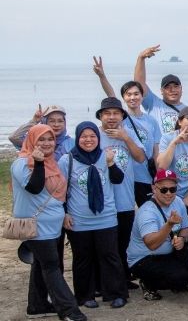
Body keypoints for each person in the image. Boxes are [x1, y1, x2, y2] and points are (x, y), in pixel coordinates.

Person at [10, 124, 87, 321]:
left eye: (50, 139)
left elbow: (58, 194)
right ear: (32, 141)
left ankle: (37, 306)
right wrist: (37, 163)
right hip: (36, 226)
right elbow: (35, 187)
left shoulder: (51, 162)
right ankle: (69, 311)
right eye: (41, 139)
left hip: (53, 225)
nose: (46, 143)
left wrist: (63, 214)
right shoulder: (22, 164)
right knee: (52, 266)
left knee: (41, 264)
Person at [60, 121, 129, 309]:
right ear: (77, 138)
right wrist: (64, 214)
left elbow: (118, 179)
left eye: (92, 136)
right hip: (79, 219)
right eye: (84, 136)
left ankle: (116, 294)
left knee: (110, 256)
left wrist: (111, 163)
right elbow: (60, 190)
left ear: (98, 139)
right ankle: (84, 296)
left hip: (106, 217)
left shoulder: (105, 155)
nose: (88, 140)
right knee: (83, 258)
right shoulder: (68, 160)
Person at [93, 57, 162, 207]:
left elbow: (156, 151)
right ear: (123, 98)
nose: (133, 97)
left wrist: (158, 176)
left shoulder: (151, 121)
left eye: (136, 94)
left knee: (149, 210)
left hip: (146, 175)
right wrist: (102, 76)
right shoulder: (121, 117)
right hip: (127, 174)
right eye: (128, 94)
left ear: (142, 96)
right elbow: (110, 94)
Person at [127, 169, 188, 301]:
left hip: (168, 253)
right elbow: (152, 244)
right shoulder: (147, 211)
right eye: (164, 190)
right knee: (179, 276)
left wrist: (182, 238)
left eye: (172, 189)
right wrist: (168, 225)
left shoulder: (178, 201)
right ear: (154, 188)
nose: (169, 193)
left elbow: (187, 227)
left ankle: (183, 279)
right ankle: (148, 283)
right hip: (144, 258)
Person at [95, 97, 147, 291]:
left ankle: (123, 278)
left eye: (116, 113)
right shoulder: (93, 135)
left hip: (125, 199)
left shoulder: (129, 134)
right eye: (107, 113)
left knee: (123, 242)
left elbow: (141, 158)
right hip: (103, 201)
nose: (111, 117)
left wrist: (125, 137)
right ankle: (102, 282)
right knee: (104, 245)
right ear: (100, 116)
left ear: (122, 116)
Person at [134, 45, 186, 135]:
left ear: (181, 89)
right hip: (159, 149)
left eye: (176, 86)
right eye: (167, 87)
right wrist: (141, 58)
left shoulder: (187, 110)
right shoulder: (153, 104)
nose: (172, 90)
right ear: (161, 91)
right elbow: (139, 84)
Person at [9, 105, 73, 162]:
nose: (56, 124)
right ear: (44, 122)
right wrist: (34, 121)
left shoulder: (71, 143)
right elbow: (14, 137)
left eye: (60, 121)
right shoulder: (35, 141)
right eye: (52, 121)